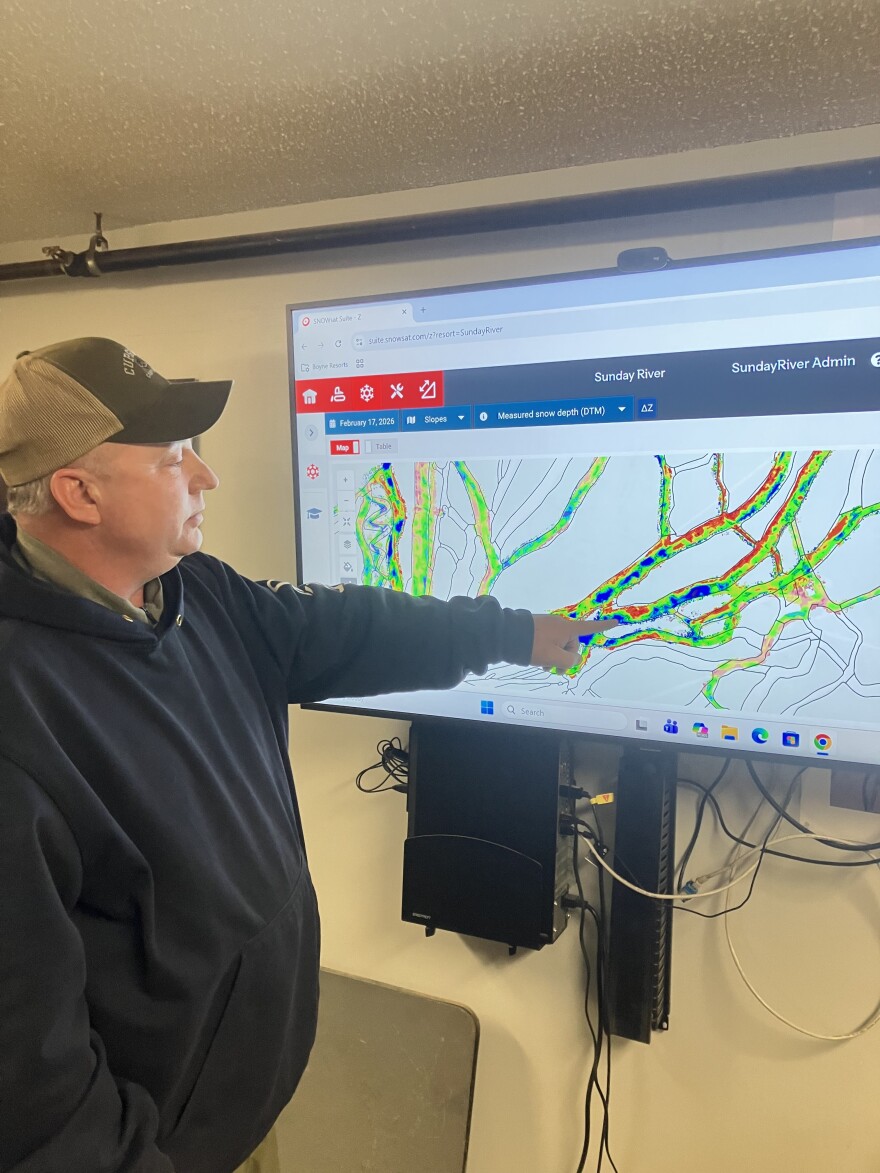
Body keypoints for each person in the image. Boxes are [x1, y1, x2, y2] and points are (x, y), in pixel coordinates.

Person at [0, 337, 615, 1173]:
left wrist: (513, 633)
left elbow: (345, 627)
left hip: (231, 1113)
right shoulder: (22, 713)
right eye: (175, 459)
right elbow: (30, 1083)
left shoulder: (193, 593)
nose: (206, 478)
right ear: (79, 492)